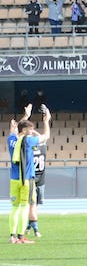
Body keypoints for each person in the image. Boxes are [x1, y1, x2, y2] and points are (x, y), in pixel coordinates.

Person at [8, 103, 51, 244]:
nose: (32, 131)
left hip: (14, 179)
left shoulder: (11, 140)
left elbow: (15, 130)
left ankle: (12, 236)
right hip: (26, 179)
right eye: (30, 129)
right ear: (25, 130)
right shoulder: (28, 140)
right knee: (25, 207)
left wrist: (26, 116)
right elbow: (46, 136)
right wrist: (46, 121)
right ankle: (21, 237)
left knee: (14, 208)